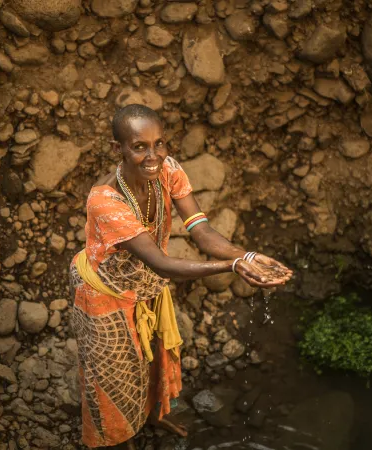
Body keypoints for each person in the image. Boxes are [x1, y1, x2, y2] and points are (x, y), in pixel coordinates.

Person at [69, 104, 292, 449]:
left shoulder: (168, 170)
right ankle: (122, 438)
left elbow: (201, 232)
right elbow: (162, 264)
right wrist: (232, 267)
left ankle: (154, 414)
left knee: (153, 356)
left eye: (159, 143)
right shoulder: (105, 200)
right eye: (139, 146)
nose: (152, 155)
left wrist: (246, 255)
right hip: (104, 294)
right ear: (118, 150)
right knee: (114, 376)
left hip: (145, 284)